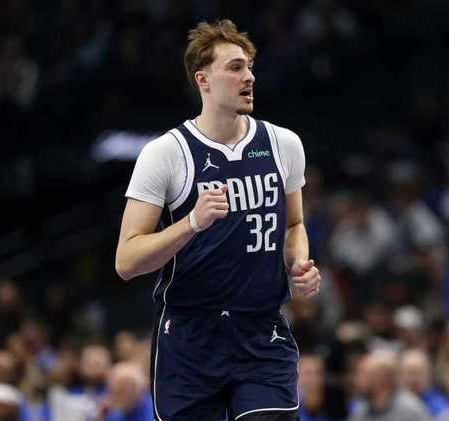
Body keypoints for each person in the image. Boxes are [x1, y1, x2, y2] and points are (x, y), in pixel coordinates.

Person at [115, 19, 320, 421]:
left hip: (261, 332)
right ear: (203, 80)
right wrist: (191, 222)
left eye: (250, 67)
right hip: (190, 338)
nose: (249, 77)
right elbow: (126, 261)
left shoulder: (283, 144)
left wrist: (298, 262)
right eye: (236, 68)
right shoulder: (165, 153)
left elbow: (294, 225)